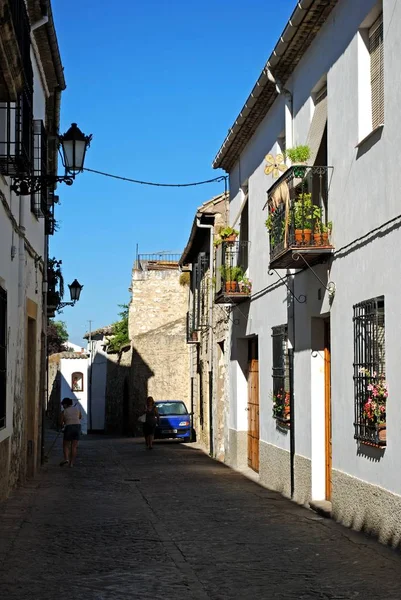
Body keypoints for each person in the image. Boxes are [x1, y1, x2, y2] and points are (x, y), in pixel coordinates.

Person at [59, 398, 82, 467]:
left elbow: (60, 422)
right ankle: (71, 463)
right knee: (74, 446)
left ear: (65, 404)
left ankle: (66, 459)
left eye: (63, 404)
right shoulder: (77, 410)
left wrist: (63, 425)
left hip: (69, 427)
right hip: (77, 427)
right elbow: (80, 417)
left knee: (66, 445)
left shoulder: (64, 411)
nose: (62, 406)